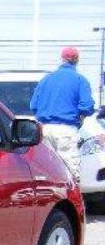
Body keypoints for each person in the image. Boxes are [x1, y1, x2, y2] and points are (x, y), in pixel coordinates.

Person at [30, 47, 95, 180]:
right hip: (66, 130)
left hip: (44, 130)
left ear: (62, 59)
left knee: (46, 171)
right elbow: (87, 106)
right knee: (69, 173)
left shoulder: (46, 79)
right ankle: (69, 199)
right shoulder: (80, 80)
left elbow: (33, 106)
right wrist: (81, 116)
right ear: (77, 60)